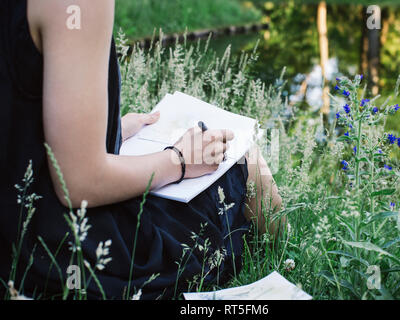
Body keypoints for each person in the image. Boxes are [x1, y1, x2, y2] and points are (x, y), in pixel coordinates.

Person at [0, 0, 284, 299]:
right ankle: (288, 272)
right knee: (244, 161)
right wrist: (179, 160)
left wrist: (111, 132)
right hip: (55, 253)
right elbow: (79, 183)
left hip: (10, 228)